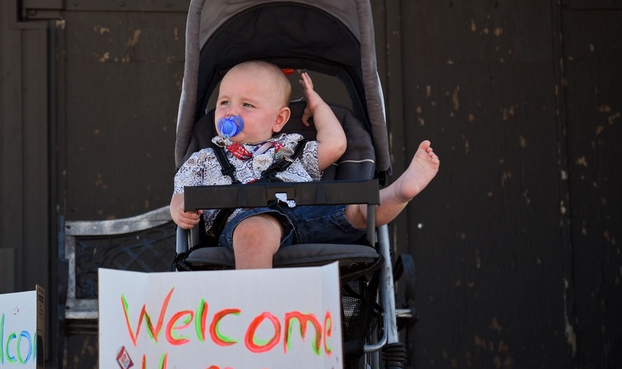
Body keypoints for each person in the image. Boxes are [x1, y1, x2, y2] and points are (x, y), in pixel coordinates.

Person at [170, 60, 439, 269]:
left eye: (247, 105)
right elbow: (181, 192)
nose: (231, 111)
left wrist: (318, 105)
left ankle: (400, 192)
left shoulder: (290, 147)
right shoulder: (205, 158)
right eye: (224, 102)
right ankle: (257, 313)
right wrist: (179, 207)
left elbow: (335, 146)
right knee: (254, 231)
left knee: (359, 211)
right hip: (243, 222)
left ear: (279, 119)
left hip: (308, 217)